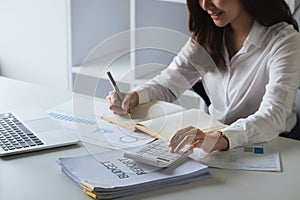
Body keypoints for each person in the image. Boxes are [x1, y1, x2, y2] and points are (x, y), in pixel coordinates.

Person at [106, 0, 300, 153]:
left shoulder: (284, 41)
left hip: (274, 144)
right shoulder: (208, 34)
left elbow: (274, 116)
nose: (205, 5)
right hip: (214, 142)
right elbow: (170, 82)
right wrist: (135, 97)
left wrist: (222, 137)